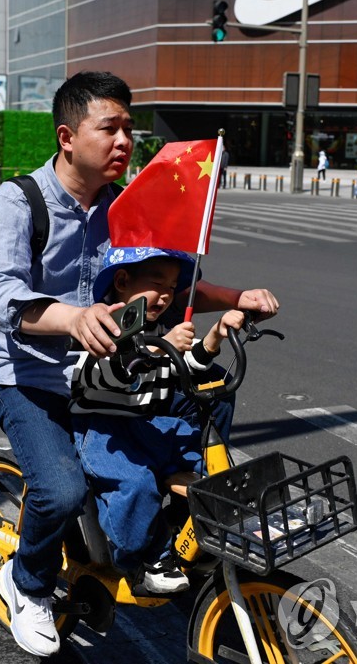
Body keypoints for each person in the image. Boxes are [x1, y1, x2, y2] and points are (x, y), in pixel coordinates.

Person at [0, 70, 279, 657]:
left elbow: (171, 282)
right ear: (67, 136)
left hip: (111, 373)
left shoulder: (124, 203)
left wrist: (238, 298)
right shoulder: (16, 203)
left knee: (195, 415)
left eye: (128, 130)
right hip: (28, 373)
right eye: (108, 128)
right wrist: (73, 318)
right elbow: (0, 294)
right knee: (59, 490)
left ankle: (148, 544)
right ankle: (28, 584)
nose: (123, 142)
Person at [70, 246, 245, 595]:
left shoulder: (158, 324)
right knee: (134, 485)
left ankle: (197, 526)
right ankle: (144, 560)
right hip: (104, 431)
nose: (166, 294)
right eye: (157, 282)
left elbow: (183, 367)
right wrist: (158, 347)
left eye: (173, 285)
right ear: (122, 280)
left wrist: (214, 336)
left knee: (209, 468)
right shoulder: (105, 321)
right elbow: (101, 374)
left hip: (147, 424)